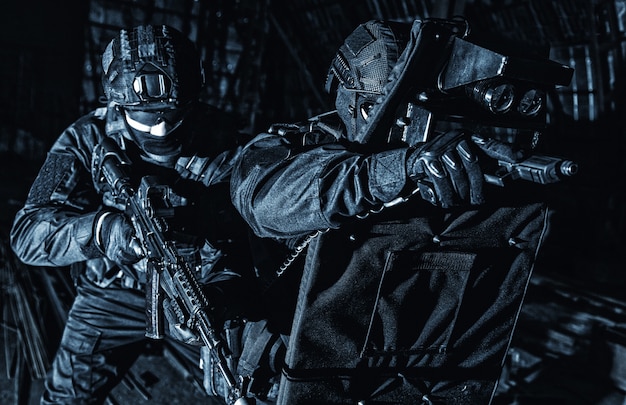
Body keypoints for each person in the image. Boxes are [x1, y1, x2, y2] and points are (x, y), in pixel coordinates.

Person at [230, 19, 563, 404]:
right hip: (290, 370)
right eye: (393, 113)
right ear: (359, 104)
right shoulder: (291, 147)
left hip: (404, 374)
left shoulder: (447, 163)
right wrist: (401, 169)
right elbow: (268, 204)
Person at [10, 24, 259, 405]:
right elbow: (27, 232)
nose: (159, 125)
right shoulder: (86, 138)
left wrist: (223, 293)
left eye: (170, 111)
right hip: (113, 293)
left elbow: (257, 241)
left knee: (254, 388)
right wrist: (102, 231)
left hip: (198, 293)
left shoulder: (227, 139)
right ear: (118, 103)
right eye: (144, 114)